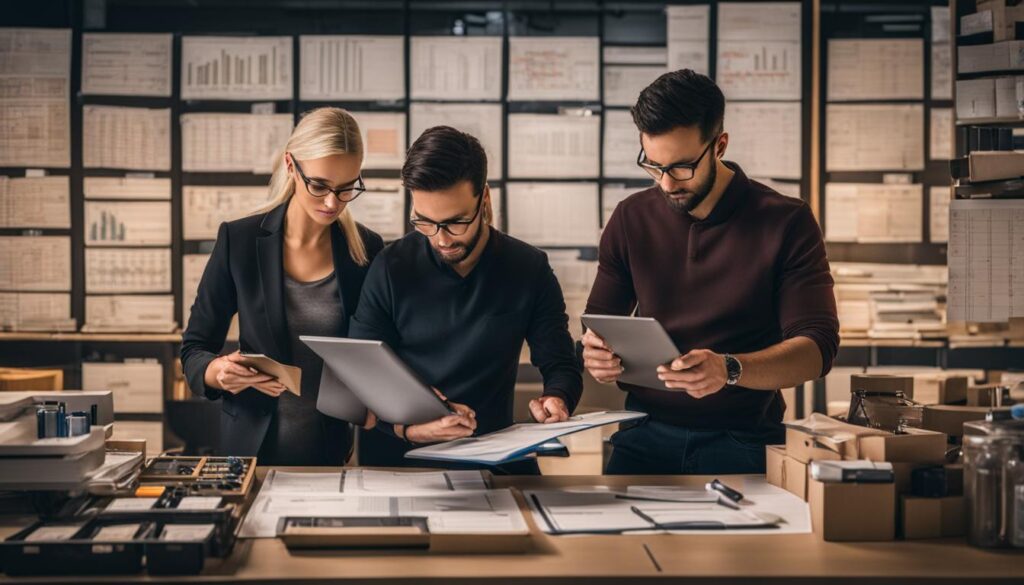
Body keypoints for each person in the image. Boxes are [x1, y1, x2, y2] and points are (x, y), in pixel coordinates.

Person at [582, 69, 840, 475]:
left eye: (683, 167)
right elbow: (599, 328)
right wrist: (596, 355)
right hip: (645, 432)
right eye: (653, 165)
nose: (666, 184)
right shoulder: (631, 217)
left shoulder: (786, 221)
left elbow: (817, 349)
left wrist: (730, 369)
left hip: (744, 437)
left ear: (719, 145)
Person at [349, 126, 582, 474]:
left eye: (456, 222)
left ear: (484, 200)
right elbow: (360, 374)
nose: (441, 239)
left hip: (493, 460)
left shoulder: (527, 267)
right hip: (399, 462)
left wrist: (557, 398)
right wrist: (408, 430)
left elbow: (561, 363)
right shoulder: (389, 266)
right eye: (424, 222)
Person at [180, 107, 384, 465]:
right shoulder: (239, 240)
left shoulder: (365, 251)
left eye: (347, 188)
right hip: (249, 454)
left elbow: (375, 356)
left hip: (331, 454)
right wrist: (219, 373)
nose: (332, 202)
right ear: (291, 166)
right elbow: (195, 349)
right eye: (319, 185)